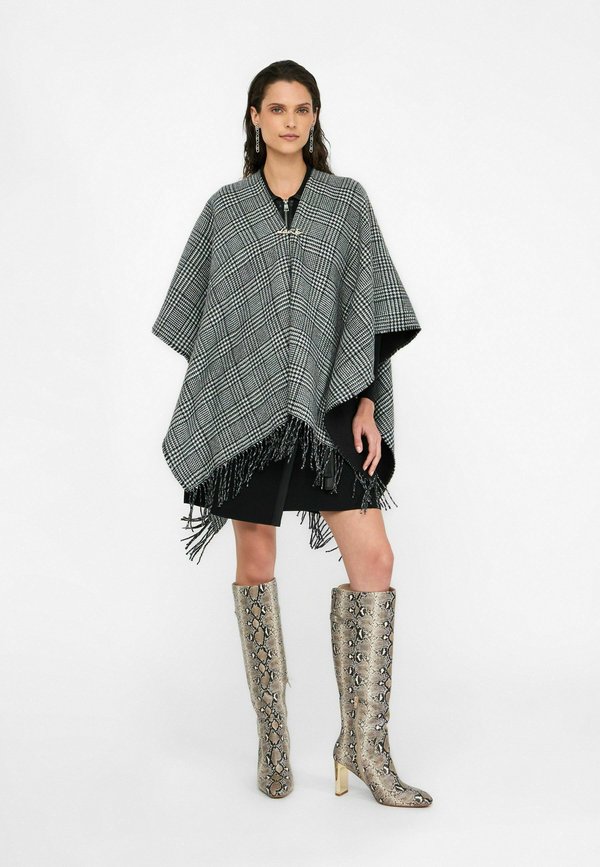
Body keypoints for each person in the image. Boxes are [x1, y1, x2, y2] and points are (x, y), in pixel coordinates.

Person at [152, 60, 433, 807]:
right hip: (247, 414)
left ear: (315, 117)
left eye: (302, 108)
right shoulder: (227, 209)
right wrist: (236, 381)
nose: (289, 121)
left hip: (330, 408)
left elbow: (366, 305)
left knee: (375, 558)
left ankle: (363, 745)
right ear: (254, 117)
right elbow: (202, 317)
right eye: (276, 108)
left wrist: (364, 400)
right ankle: (273, 740)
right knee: (255, 558)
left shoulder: (346, 202)